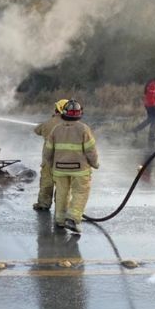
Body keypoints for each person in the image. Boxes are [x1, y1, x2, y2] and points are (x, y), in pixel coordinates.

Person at [43, 100, 99, 234]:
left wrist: (50, 164)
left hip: (59, 169)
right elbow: (91, 150)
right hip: (80, 170)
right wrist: (95, 163)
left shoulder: (57, 129)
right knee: (80, 192)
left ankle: (60, 220)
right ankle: (73, 219)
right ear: (79, 114)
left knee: (62, 193)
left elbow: (48, 150)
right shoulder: (83, 129)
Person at [32, 99, 69, 211]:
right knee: (63, 184)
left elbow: (37, 130)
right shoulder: (73, 124)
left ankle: (43, 204)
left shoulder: (49, 123)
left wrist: (50, 120)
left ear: (58, 109)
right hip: (65, 160)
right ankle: (62, 206)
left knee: (47, 182)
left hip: (48, 159)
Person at [131, 75, 155, 141]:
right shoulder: (152, 85)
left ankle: (136, 129)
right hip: (151, 105)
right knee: (154, 121)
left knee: (149, 120)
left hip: (149, 104)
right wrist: (154, 103)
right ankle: (151, 137)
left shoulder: (152, 84)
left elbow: (152, 96)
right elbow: (150, 96)